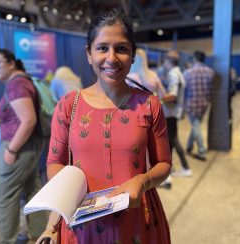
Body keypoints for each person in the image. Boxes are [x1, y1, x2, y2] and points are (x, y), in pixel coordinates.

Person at [46, 9, 171, 243]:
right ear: (89, 54)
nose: (111, 58)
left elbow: (163, 163)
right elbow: (55, 163)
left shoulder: (149, 104)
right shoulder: (68, 105)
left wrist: (142, 181)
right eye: (102, 48)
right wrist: (54, 219)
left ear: (133, 55)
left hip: (136, 220)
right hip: (81, 224)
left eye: (121, 48)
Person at [0, 48, 47, 243]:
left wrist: (12, 149)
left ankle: (7, 240)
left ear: (11, 63)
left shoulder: (16, 85)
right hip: (29, 145)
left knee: (3, 195)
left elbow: (28, 120)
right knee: (33, 189)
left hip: (19, 146)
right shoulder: (24, 81)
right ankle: (40, 235)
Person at [160, 50, 191, 177]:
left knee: (173, 140)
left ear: (168, 61)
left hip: (170, 112)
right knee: (171, 140)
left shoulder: (173, 74)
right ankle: (170, 167)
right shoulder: (179, 72)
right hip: (174, 111)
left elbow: (172, 96)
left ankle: (186, 167)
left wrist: (157, 98)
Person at [183, 51, 214, 161]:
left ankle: (201, 150)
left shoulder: (188, 73)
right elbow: (211, 90)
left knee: (196, 125)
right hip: (204, 104)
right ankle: (189, 146)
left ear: (195, 59)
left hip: (191, 103)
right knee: (196, 124)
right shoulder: (210, 72)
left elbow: (184, 91)